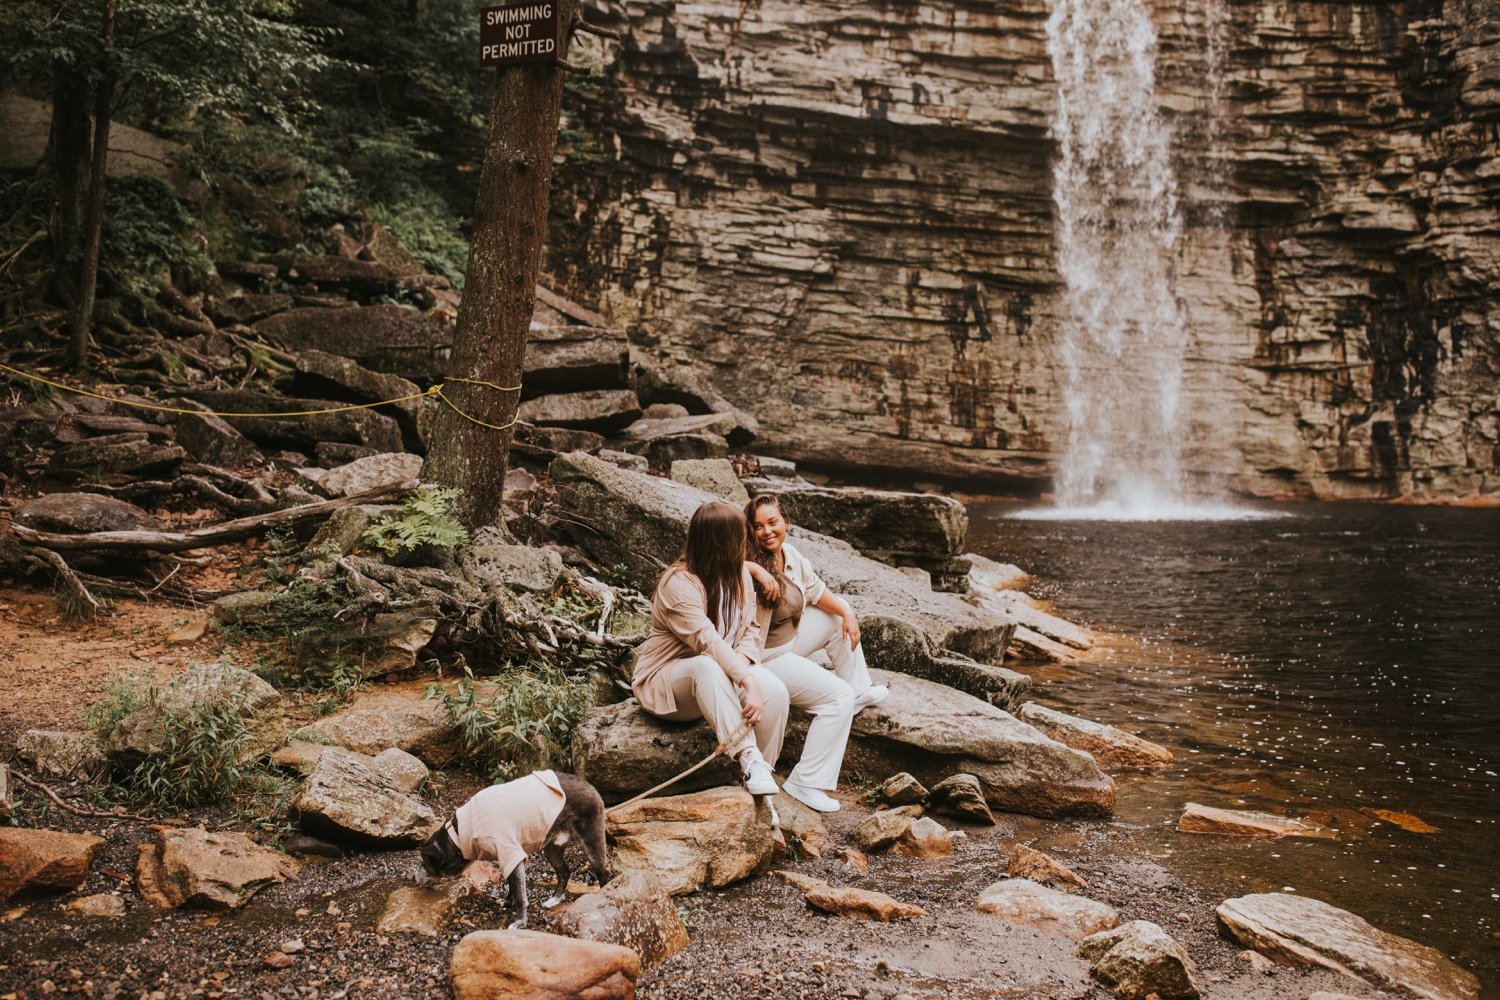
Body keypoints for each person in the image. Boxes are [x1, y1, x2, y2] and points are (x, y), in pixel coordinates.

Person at [631, 501, 854, 813]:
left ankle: (762, 776)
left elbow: (750, 629)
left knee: (774, 691)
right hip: (669, 684)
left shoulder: (740, 576)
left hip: (722, 674)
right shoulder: (678, 583)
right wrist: (747, 679)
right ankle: (748, 756)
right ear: (720, 542)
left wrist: (748, 667)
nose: (748, 542)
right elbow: (706, 641)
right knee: (707, 666)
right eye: (741, 536)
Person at [744, 494, 889, 715]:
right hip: (766, 657)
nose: (767, 532)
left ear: (786, 522)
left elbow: (816, 590)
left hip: (791, 640)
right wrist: (753, 569)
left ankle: (860, 691)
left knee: (837, 611)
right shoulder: (747, 560)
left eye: (773, 522)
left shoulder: (789, 553)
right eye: (758, 526)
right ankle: (834, 698)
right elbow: (719, 569)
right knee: (836, 694)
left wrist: (847, 613)